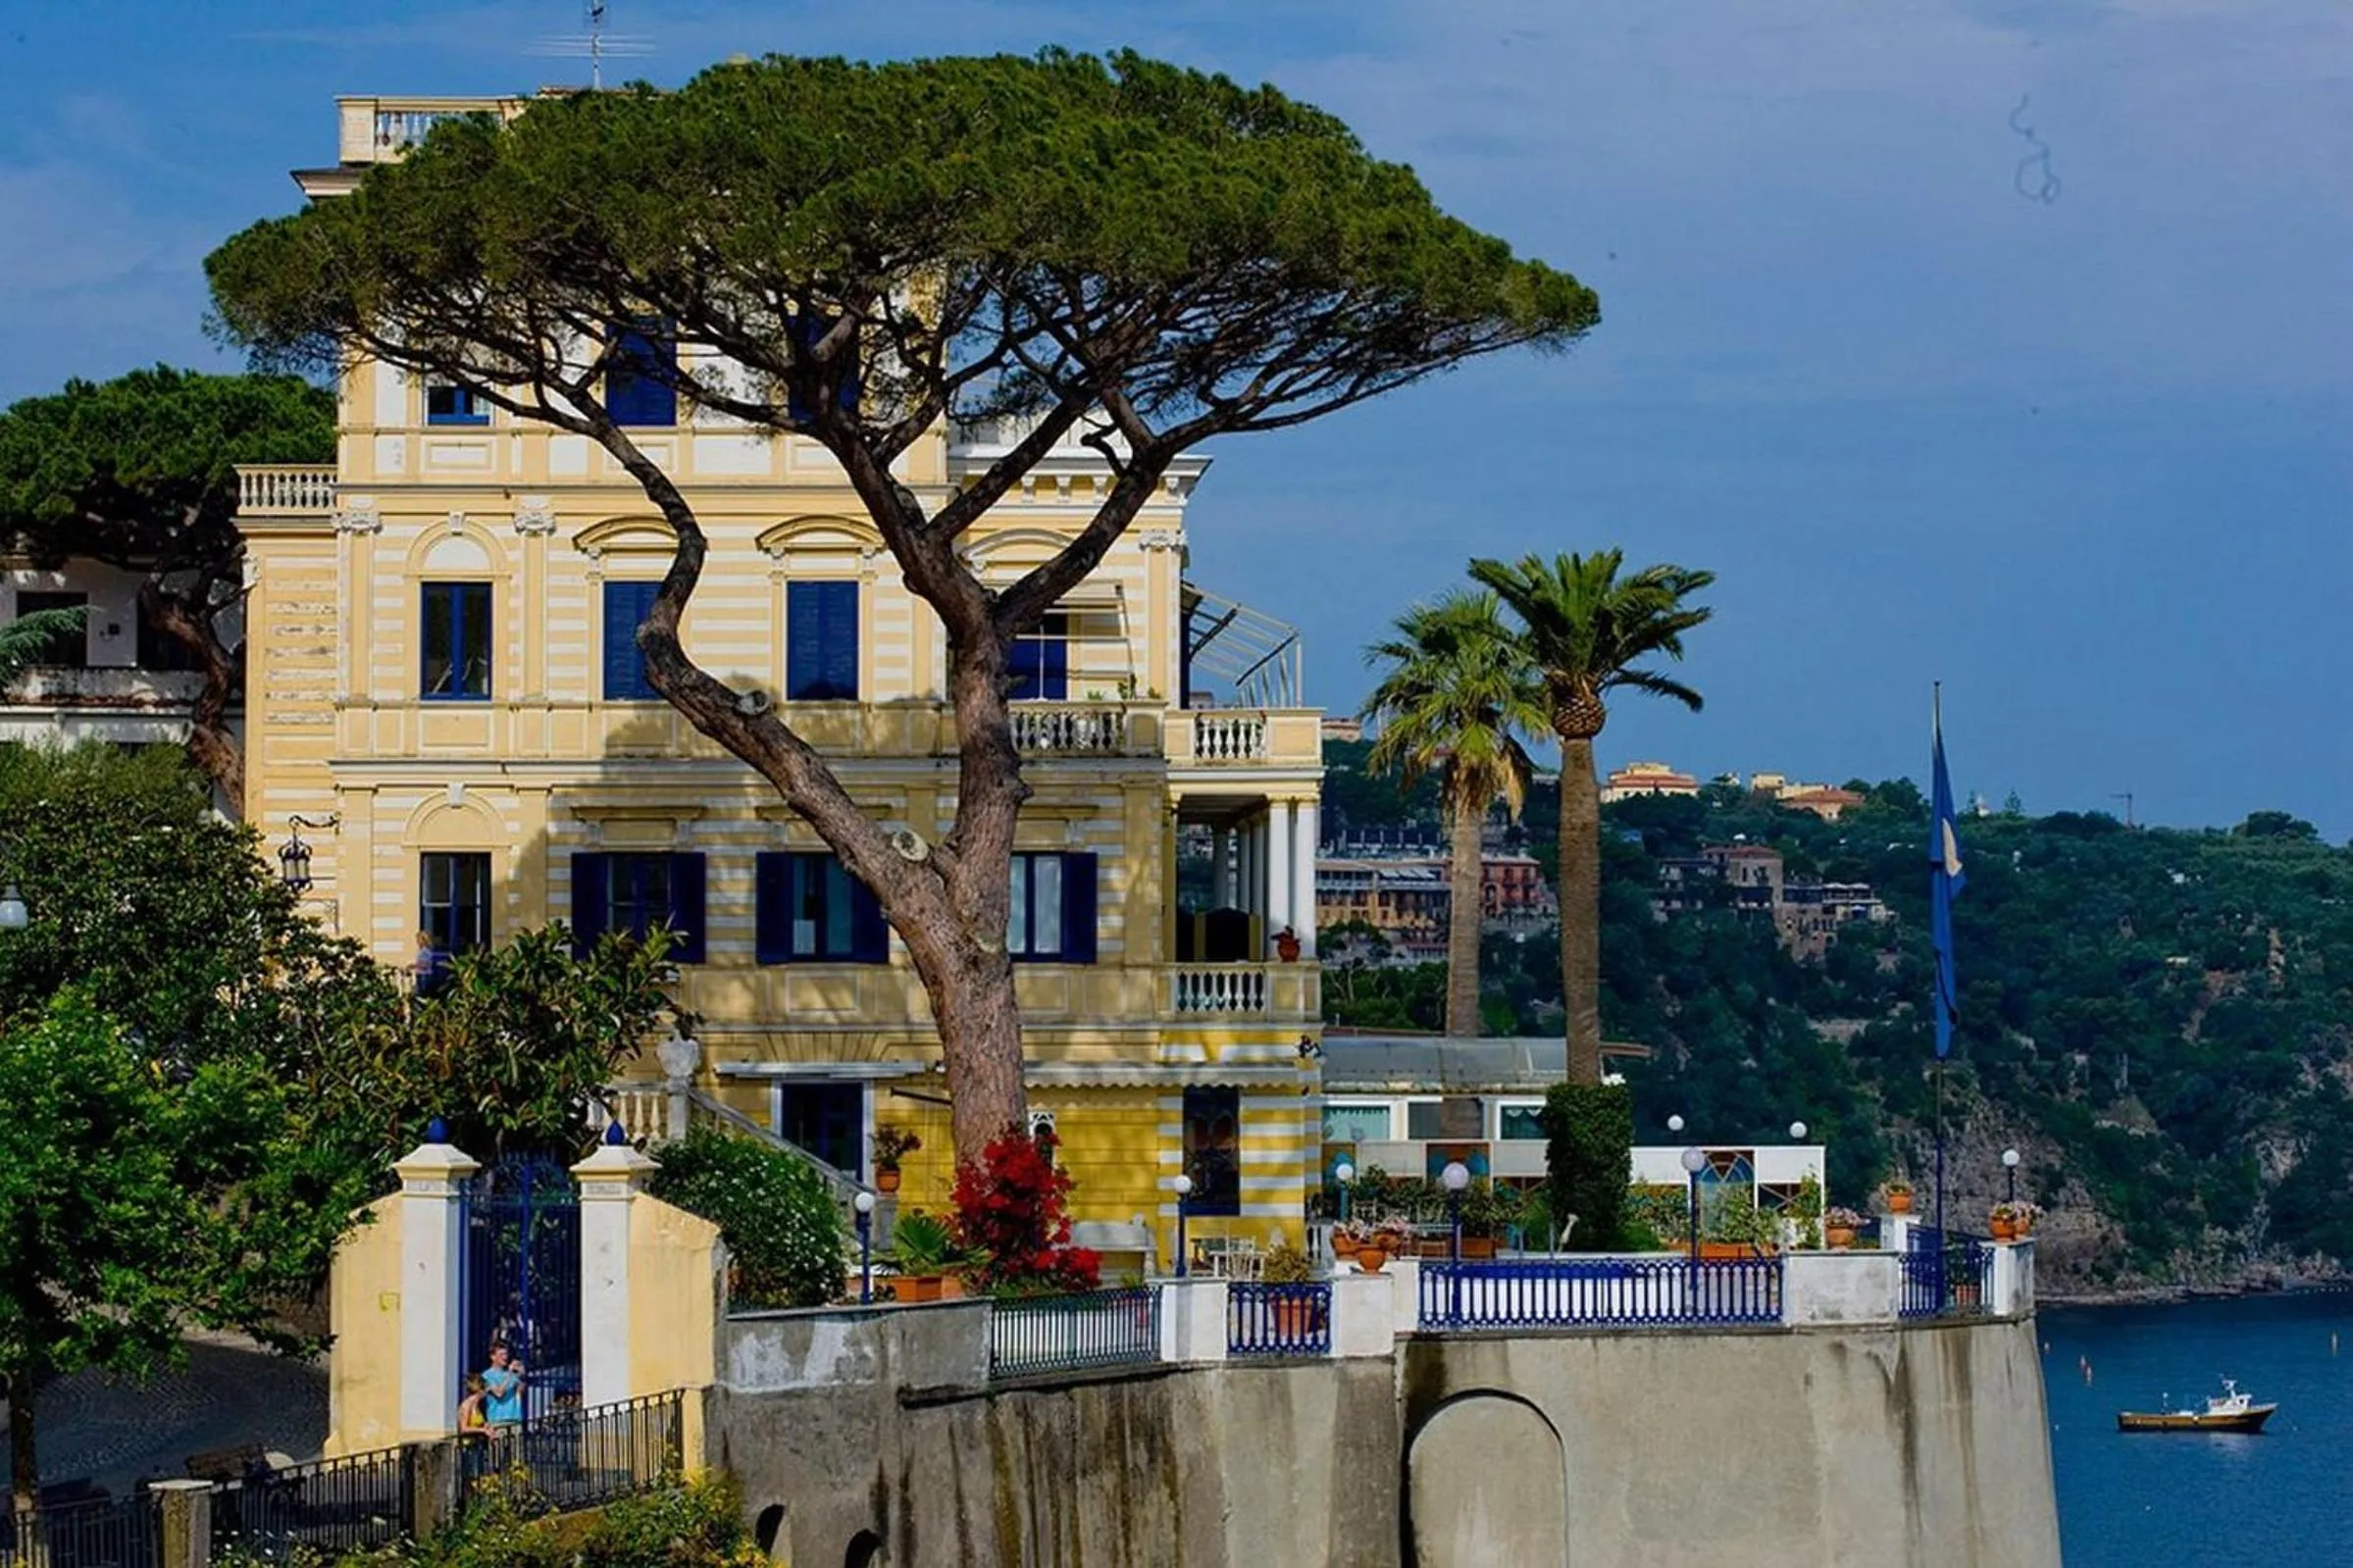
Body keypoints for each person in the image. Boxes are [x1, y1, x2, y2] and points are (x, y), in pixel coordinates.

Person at [481, 1342, 526, 1428]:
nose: (505, 1357)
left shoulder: (511, 1374)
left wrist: (522, 1375)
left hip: (515, 1419)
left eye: (506, 1354)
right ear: (492, 1357)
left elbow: (520, 1392)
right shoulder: (486, 1376)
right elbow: (499, 1394)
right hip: (498, 1421)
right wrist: (509, 1373)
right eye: (501, 1354)